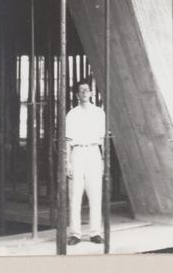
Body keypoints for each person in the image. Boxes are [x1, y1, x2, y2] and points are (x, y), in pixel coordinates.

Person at [65, 80, 106, 245]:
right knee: (75, 195)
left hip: (94, 152)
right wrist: (67, 162)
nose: (84, 93)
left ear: (91, 93)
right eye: (81, 90)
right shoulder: (72, 114)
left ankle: (95, 233)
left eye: (87, 90)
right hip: (77, 153)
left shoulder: (99, 113)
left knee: (95, 195)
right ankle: (75, 234)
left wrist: (102, 160)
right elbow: (67, 141)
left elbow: (103, 140)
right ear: (77, 94)